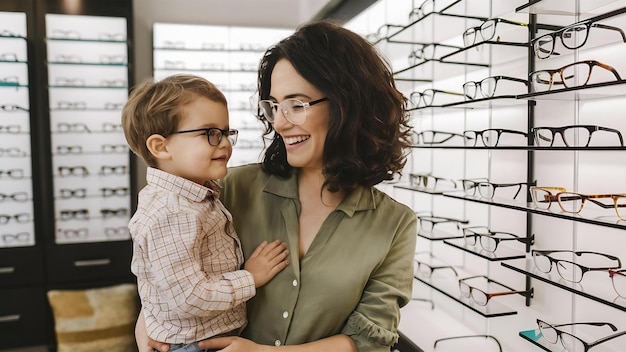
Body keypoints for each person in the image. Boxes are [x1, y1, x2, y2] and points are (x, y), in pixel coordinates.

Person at [137, 20, 417, 352]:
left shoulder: (395, 224)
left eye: (296, 104)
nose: (280, 122)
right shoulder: (225, 191)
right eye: (274, 106)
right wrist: (146, 330)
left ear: (348, 105)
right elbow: (164, 273)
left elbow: (370, 339)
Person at [122, 74, 290, 352]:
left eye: (226, 132)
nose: (224, 143)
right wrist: (250, 277)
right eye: (210, 133)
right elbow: (188, 297)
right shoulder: (173, 212)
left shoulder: (193, 196)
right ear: (160, 147)